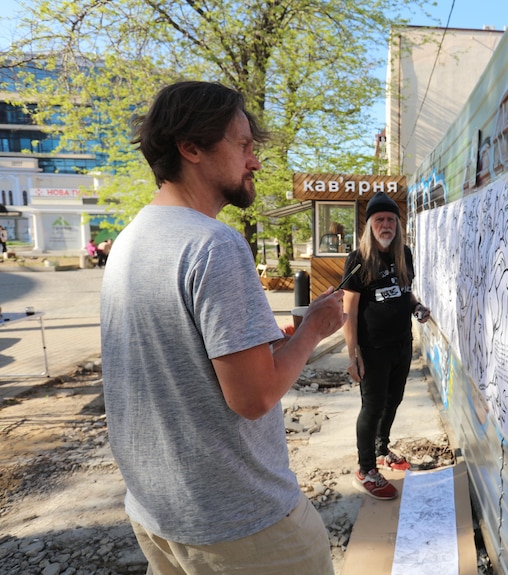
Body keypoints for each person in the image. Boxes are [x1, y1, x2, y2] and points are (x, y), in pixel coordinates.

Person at [100, 81, 346, 574]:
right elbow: (253, 399)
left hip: (159, 513)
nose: (254, 161)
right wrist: (313, 329)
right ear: (190, 148)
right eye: (243, 145)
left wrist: (256, 341)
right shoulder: (214, 244)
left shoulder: (131, 238)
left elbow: (175, 356)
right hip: (241, 528)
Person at [342, 191, 431, 500]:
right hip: (373, 349)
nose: (386, 224)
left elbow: (405, 293)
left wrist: (417, 308)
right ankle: (365, 470)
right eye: (379, 219)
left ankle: (381, 451)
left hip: (401, 345)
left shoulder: (403, 254)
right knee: (372, 407)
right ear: (370, 225)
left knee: (393, 401)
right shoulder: (358, 260)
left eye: (391, 219)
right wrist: (352, 354)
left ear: (397, 224)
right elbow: (349, 310)